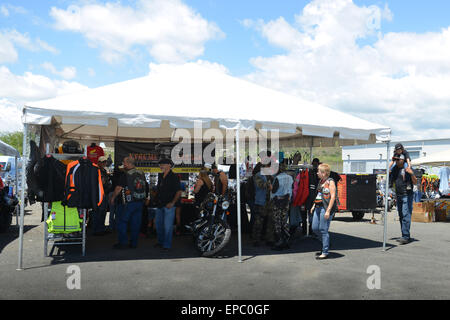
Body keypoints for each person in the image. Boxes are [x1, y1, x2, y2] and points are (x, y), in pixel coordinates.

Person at [110, 157, 147, 249]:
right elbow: (145, 186)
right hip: (139, 201)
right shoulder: (141, 173)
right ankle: (134, 243)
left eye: (124, 163)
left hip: (128, 202)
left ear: (128, 163)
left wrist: (113, 197)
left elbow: (119, 188)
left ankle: (123, 243)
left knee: (122, 222)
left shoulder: (125, 175)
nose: (123, 164)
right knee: (136, 224)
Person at [154, 158, 182, 251]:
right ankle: (160, 241)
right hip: (160, 204)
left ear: (169, 165)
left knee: (168, 226)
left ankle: (166, 244)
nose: (161, 166)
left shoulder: (174, 177)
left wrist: (173, 202)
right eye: (160, 164)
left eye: (163, 164)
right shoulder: (160, 176)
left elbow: (178, 192)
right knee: (158, 225)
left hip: (169, 205)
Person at [389, 154, 417, 244]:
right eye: (395, 160)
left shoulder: (407, 168)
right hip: (399, 195)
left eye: (398, 160)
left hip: (407, 195)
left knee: (406, 215)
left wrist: (411, 173)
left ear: (402, 160)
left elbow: (415, 182)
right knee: (401, 216)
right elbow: (391, 180)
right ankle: (404, 235)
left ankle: (406, 236)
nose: (396, 161)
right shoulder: (394, 169)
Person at [312, 163, 338, 260]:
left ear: (324, 173)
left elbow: (333, 197)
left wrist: (328, 210)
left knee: (323, 229)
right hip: (318, 207)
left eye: (319, 171)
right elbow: (319, 194)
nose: (317, 173)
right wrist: (313, 205)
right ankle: (325, 241)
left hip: (325, 208)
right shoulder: (320, 181)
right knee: (314, 228)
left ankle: (325, 251)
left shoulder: (330, 182)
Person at [270, 163, 293, 250]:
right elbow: (292, 188)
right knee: (284, 221)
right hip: (286, 201)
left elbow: (274, 190)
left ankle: (279, 242)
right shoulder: (290, 177)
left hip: (277, 202)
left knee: (277, 222)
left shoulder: (278, 178)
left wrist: (270, 187)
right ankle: (286, 241)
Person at [251, 162, 273, 247]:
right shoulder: (258, 175)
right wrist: (269, 184)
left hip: (270, 201)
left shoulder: (271, 176)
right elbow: (260, 185)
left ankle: (269, 239)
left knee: (270, 222)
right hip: (261, 201)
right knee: (258, 222)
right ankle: (256, 239)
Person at [92, 156, 111, 235]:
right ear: (98, 162)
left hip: (105, 194)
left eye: (105, 162)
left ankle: (101, 228)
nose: (104, 163)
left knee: (103, 212)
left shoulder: (104, 170)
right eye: (102, 162)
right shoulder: (96, 170)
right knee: (98, 212)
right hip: (99, 194)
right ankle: (97, 230)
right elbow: (101, 183)